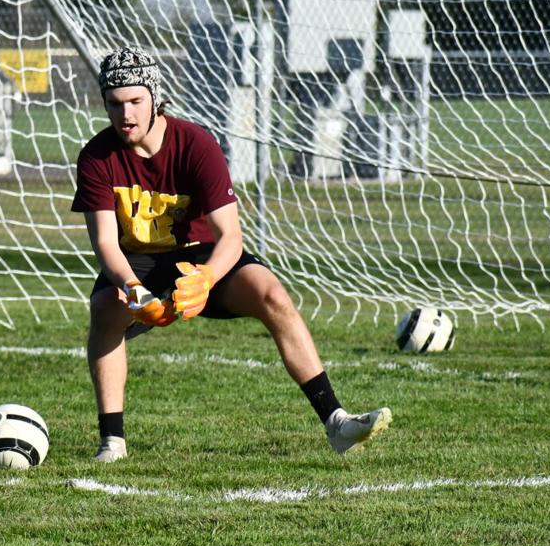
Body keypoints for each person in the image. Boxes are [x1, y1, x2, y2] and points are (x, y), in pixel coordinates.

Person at [71, 46, 390, 463]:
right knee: (106, 306)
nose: (125, 114)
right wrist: (135, 291)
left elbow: (231, 237)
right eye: (115, 104)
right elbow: (107, 245)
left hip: (201, 255)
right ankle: (112, 442)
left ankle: (337, 423)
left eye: (135, 101)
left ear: (155, 97)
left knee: (271, 293)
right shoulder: (96, 157)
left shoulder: (196, 143)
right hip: (140, 262)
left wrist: (204, 279)